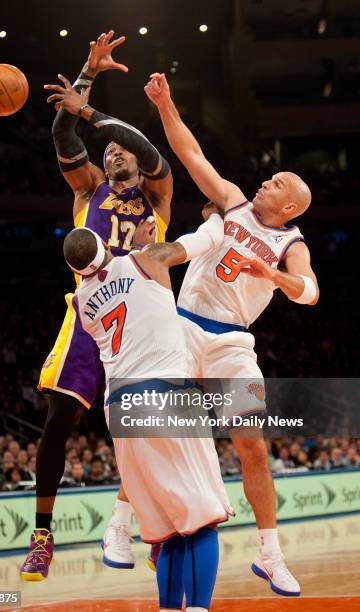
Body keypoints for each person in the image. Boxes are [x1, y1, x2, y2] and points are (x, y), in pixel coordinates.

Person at [143, 72, 320, 597]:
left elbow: (309, 292)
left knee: (254, 448)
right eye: (271, 177)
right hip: (181, 324)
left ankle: (270, 554)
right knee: (151, 430)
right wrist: (166, 104)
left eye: (279, 182)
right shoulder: (234, 202)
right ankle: (133, 527)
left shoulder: (291, 241)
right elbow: (192, 153)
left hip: (232, 345)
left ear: (288, 207)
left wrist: (273, 276)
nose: (268, 181)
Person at [20, 32, 173, 581]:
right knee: (58, 418)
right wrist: (85, 78)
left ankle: (160, 530)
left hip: (145, 326)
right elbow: (64, 131)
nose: (111, 152)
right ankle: (42, 536)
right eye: (106, 150)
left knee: (145, 433)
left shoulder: (158, 194)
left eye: (118, 148)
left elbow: (150, 150)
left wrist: (94, 110)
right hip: (91, 316)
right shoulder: (88, 191)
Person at [65, 218, 232, 612]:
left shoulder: (81, 303)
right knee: (202, 518)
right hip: (165, 395)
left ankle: (169, 606)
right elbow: (206, 239)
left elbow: (108, 280)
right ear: (104, 245)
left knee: (167, 528)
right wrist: (221, 213)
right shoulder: (147, 259)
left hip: (119, 409)